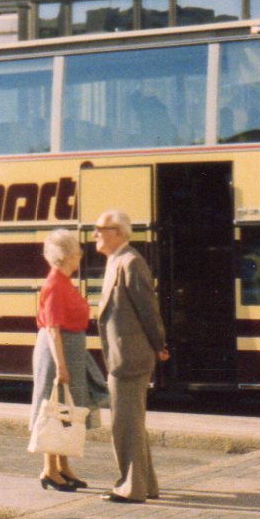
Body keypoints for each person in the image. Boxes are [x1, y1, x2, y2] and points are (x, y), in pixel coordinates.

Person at [94, 209, 170, 503]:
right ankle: (144, 484)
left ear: (119, 233)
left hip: (130, 357)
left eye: (101, 228)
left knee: (125, 424)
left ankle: (131, 487)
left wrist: (159, 344)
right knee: (131, 423)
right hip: (122, 355)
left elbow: (148, 309)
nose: (95, 234)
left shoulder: (131, 262)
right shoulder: (116, 261)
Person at [30, 229, 106, 491]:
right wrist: (61, 366)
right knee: (54, 408)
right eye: (76, 252)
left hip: (69, 350)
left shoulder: (63, 282)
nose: (80, 256)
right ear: (65, 257)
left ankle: (62, 466)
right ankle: (49, 470)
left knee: (66, 410)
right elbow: (52, 328)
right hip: (56, 352)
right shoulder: (54, 284)